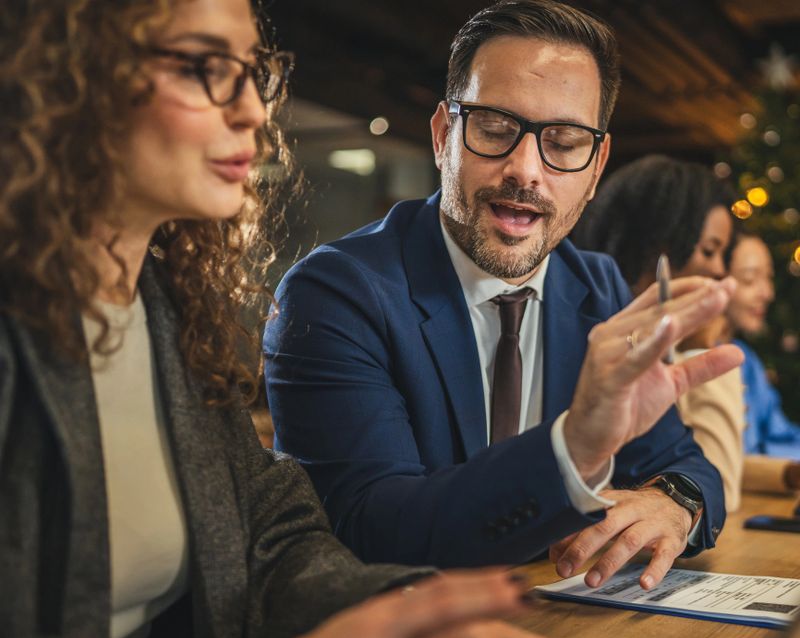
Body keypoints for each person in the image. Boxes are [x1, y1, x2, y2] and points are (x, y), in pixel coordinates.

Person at [0, 0, 601, 638]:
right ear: (61, 75)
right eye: (203, 67)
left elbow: (271, 536)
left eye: (252, 73)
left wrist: (406, 617)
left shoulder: (165, 305)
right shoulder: (339, 288)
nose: (253, 109)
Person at [264, 0, 741, 590]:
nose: (526, 170)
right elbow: (369, 527)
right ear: (444, 136)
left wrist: (674, 504)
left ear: (595, 169)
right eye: (494, 128)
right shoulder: (336, 293)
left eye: (564, 143)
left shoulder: (600, 288)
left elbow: (687, 465)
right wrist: (571, 452)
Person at [571, 155, 746, 511]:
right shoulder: (601, 346)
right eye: (709, 251)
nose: (718, 270)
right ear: (657, 247)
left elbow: (697, 468)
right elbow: (724, 488)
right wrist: (702, 343)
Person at [727, 235, 800, 492]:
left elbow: (780, 435)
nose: (767, 293)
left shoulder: (746, 360)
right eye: (749, 279)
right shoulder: (682, 361)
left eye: (768, 277)